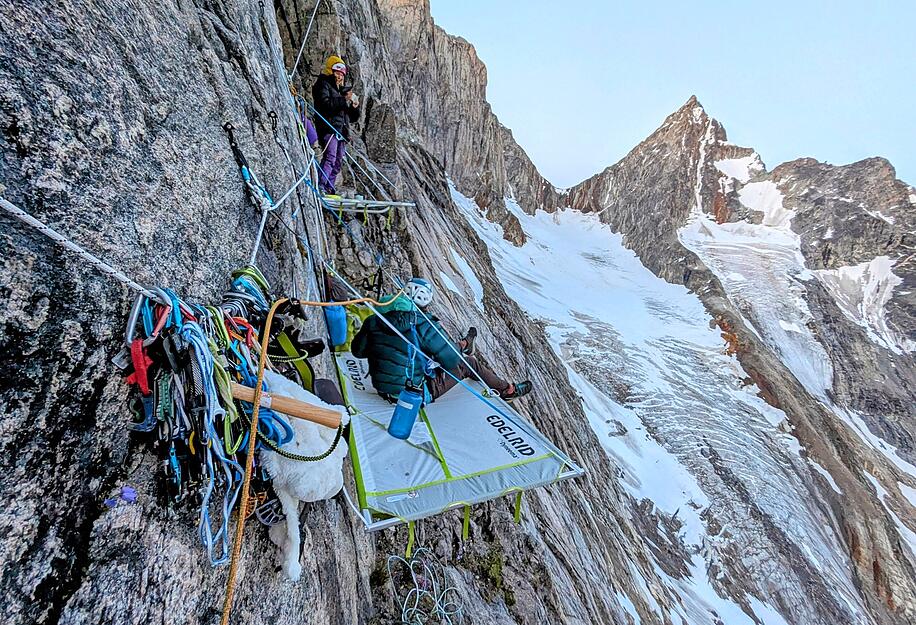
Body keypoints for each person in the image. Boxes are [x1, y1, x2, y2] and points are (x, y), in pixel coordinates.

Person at [351, 278, 532, 403]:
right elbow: (452, 360)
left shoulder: (374, 320)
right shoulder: (423, 324)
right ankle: (507, 390)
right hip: (413, 394)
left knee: (437, 352)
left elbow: (357, 351)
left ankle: (464, 345)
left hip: (382, 389)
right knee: (468, 363)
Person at [312, 55, 360, 195]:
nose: (340, 77)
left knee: (337, 161)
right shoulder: (322, 84)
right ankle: (321, 186)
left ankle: (329, 188)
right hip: (328, 128)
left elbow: (351, 117)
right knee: (330, 157)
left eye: (342, 74)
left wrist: (354, 106)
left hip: (340, 130)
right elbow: (325, 104)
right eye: (337, 73)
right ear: (330, 71)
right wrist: (343, 100)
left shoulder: (341, 91)